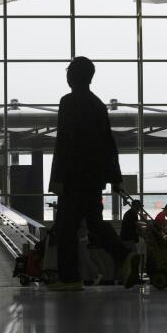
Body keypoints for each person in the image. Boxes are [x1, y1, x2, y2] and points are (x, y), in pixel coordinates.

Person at [49, 56, 140, 291]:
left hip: (73, 177)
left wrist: (57, 178)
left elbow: (64, 143)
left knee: (65, 228)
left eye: (68, 72)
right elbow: (109, 143)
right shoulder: (98, 104)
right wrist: (116, 177)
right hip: (93, 178)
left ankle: (69, 278)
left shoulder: (68, 102)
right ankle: (123, 255)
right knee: (95, 223)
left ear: (72, 76)